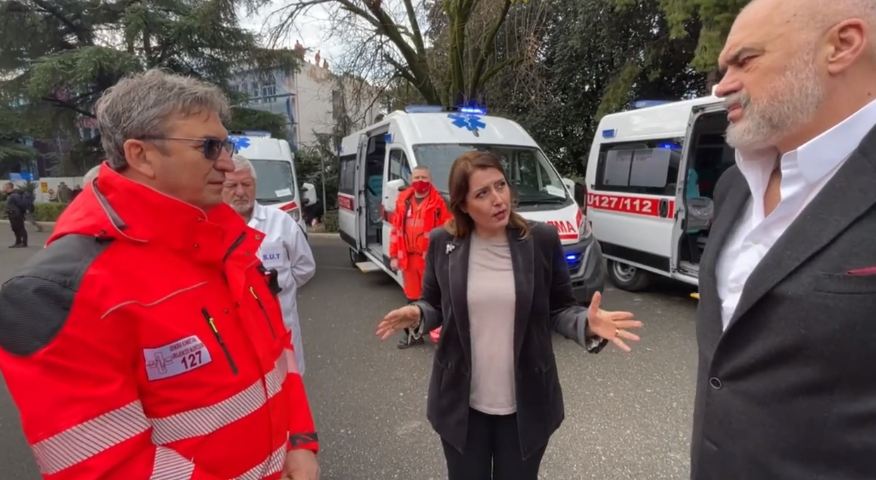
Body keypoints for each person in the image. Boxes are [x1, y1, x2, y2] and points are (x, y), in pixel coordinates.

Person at [0, 69, 320, 480]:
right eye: (208, 147)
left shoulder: (229, 240)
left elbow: (280, 352)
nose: (226, 163)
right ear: (141, 155)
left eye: (226, 144)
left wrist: (299, 442)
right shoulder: (58, 291)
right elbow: (107, 467)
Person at [691, 1, 876, 478]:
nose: (721, 84)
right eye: (723, 66)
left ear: (842, 45)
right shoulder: (734, 186)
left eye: (745, 60)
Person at [376, 151, 643, 480]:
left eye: (500, 185)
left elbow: (560, 307)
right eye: (482, 193)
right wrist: (416, 312)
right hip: (461, 405)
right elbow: (433, 304)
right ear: (462, 205)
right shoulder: (443, 242)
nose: (498, 199)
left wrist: (585, 324)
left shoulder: (540, 239)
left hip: (526, 405)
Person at [223, 153, 316, 374]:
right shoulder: (212, 227)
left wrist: (281, 290)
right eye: (232, 185)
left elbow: (304, 267)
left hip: (282, 326)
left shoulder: (280, 221)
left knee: (290, 388)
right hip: (237, 335)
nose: (240, 192)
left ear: (255, 185)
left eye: (246, 184)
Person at [387, 165, 452, 348]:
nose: (419, 181)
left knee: (435, 298)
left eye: (423, 177)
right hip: (408, 259)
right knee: (411, 298)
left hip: (429, 260)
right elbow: (396, 231)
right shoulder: (403, 201)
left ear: (430, 180)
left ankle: (442, 336)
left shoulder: (439, 203)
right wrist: (393, 255)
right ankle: (413, 335)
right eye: (416, 177)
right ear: (411, 179)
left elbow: (448, 231)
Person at [3, 181, 28, 247]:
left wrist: (21, 213)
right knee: (15, 228)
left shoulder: (14, 195)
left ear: (9, 187)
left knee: (21, 228)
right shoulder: (10, 195)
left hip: (17, 215)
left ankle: (24, 243)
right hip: (12, 214)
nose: (3, 188)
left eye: (4, 187)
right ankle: (18, 242)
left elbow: (21, 204)